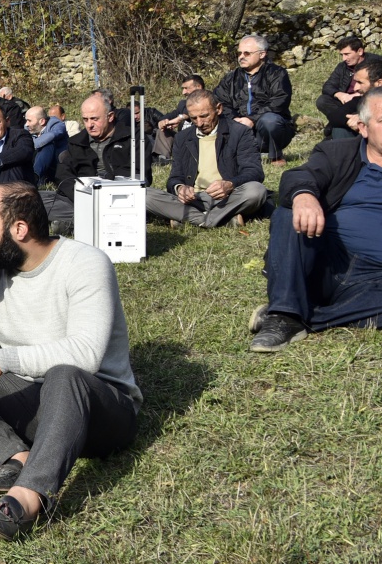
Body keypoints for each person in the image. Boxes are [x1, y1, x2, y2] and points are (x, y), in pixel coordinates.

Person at [0, 182, 141, 540]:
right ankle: (16, 458)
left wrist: (2, 359)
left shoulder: (85, 262)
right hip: (37, 405)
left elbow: (87, 354)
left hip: (101, 410)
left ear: (19, 229)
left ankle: (28, 498)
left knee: (64, 375)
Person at [249, 88, 382, 353]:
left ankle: (297, 317)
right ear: (363, 128)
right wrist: (304, 196)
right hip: (325, 263)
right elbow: (297, 176)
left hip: (374, 280)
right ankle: (286, 311)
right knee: (289, 210)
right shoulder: (339, 153)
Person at [146, 91, 268, 228]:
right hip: (194, 200)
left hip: (228, 197)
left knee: (256, 191)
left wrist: (230, 184)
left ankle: (194, 219)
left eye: (204, 116)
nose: (199, 123)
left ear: (218, 109)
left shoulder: (239, 132)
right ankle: (222, 219)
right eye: (193, 118)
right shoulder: (182, 137)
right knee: (144, 195)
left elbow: (254, 171)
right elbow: (175, 177)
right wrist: (180, 188)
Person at [41, 90, 150, 231]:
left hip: (121, 196)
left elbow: (139, 172)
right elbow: (63, 175)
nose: (89, 125)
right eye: (85, 120)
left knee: (149, 195)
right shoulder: (76, 142)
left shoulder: (133, 138)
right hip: (83, 197)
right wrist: (81, 194)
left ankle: (76, 222)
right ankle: (93, 220)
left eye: (94, 119)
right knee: (35, 199)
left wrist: (104, 189)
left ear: (110, 117)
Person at [214, 34, 295, 164]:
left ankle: (275, 156)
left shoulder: (276, 73)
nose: (241, 57)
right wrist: (234, 119)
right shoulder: (231, 78)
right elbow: (219, 100)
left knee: (270, 121)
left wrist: (252, 119)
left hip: (269, 129)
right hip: (240, 128)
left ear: (262, 54)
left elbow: (280, 100)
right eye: (239, 53)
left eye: (247, 53)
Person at [325, 58, 381, 140]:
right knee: (340, 129)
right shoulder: (363, 99)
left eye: (360, 83)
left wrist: (364, 119)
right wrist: (355, 120)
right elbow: (334, 116)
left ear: (379, 83)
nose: (355, 88)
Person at [152, 75, 206, 161]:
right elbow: (172, 114)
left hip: (199, 141)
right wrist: (163, 122)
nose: (183, 92)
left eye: (186, 88)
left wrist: (180, 118)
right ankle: (163, 159)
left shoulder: (209, 101)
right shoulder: (183, 104)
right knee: (162, 131)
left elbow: (197, 111)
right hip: (181, 140)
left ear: (199, 87)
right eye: (183, 88)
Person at [24, 105, 69, 182]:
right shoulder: (28, 128)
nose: (26, 124)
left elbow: (53, 135)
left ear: (42, 121)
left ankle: (35, 177)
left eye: (29, 121)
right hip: (37, 161)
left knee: (47, 144)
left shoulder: (56, 124)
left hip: (57, 164)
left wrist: (31, 145)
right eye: (26, 121)